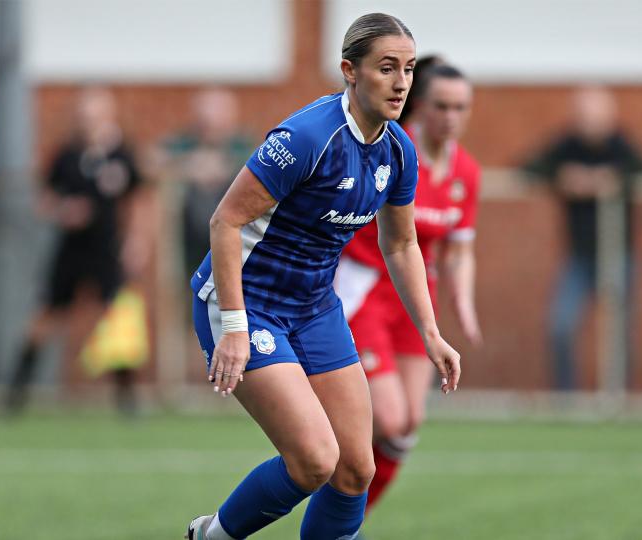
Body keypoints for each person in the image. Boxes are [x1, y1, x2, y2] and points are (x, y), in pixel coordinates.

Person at [185, 13, 461, 540]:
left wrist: (430, 332)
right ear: (349, 71)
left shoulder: (399, 150)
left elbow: (401, 243)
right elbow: (226, 220)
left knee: (356, 469)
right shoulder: (307, 137)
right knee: (313, 461)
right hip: (248, 301)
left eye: (407, 69)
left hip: (313, 307)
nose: (401, 82)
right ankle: (209, 537)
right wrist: (236, 327)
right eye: (386, 68)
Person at [333, 63, 481, 515]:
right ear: (420, 103)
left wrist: (464, 301)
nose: (451, 116)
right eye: (441, 105)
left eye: (460, 107)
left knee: (406, 426)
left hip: (415, 298)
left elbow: (458, 248)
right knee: (390, 416)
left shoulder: (465, 172)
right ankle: (320, 476)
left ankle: (347, 521)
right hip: (364, 289)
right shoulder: (392, 148)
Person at [4, 87, 148, 415]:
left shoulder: (122, 156)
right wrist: (63, 211)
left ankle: (127, 402)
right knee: (44, 316)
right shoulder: (66, 156)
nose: (89, 122)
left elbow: (139, 199)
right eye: (84, 116)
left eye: (95, 116)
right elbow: (45, 201)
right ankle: (16, 394)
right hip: (70, 251)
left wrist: (137, 241)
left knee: (117, 322)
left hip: (106, 251)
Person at [522, 85, 642, 391]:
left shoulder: (622, 145)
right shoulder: (568, 145)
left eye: (595, 117)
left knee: (618, 335)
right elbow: (529, 167)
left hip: (618, 254)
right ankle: (567, 399)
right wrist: (563, 177)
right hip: (578, 256)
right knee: (560, 325)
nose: (590, 124)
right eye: (584, 117)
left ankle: (619, 399)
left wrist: (609, 180)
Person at [159, 88, 252, 277]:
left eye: (216, 120)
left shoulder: (242, 144)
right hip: (189, 241)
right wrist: (189, 166)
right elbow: (152, 161)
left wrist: (225, 168)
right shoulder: (185, 143)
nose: (210, 127)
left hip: (234, 239)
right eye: (205, 121)